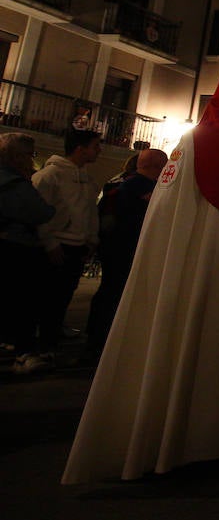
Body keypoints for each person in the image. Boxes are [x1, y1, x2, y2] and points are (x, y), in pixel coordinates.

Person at [63, 0, 219, 483]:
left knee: (181, 344)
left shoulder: (193, 144)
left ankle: (172, 435)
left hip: (192, 274)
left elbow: (164, 222)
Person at [84, 147, 168, 359]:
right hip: (127, 249)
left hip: (112, 247)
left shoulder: (121, 182)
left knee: (109, 292)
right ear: (158, 166)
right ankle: (104, 341)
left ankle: (97, 339)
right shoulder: (144, 188)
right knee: (116, 294)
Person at [31, 127, 103, 361]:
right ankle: (41, 346)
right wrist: (50, 242)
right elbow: (39, 212)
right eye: (95, 146)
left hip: (77, 247)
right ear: (80, 149)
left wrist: (91, 239)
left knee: (62, 297)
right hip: (57, 246)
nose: (99, 151)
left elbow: (90, 212)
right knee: (48, 298)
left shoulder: (86, 179)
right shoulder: (50, 175)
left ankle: (50, 341)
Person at [1, 132, 57, 374]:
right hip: (16, 247)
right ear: (17, 157)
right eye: (30, 155)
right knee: (23, 303)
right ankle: (22, 354)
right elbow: (40, 212)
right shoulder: (14, 183)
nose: (31, 160)